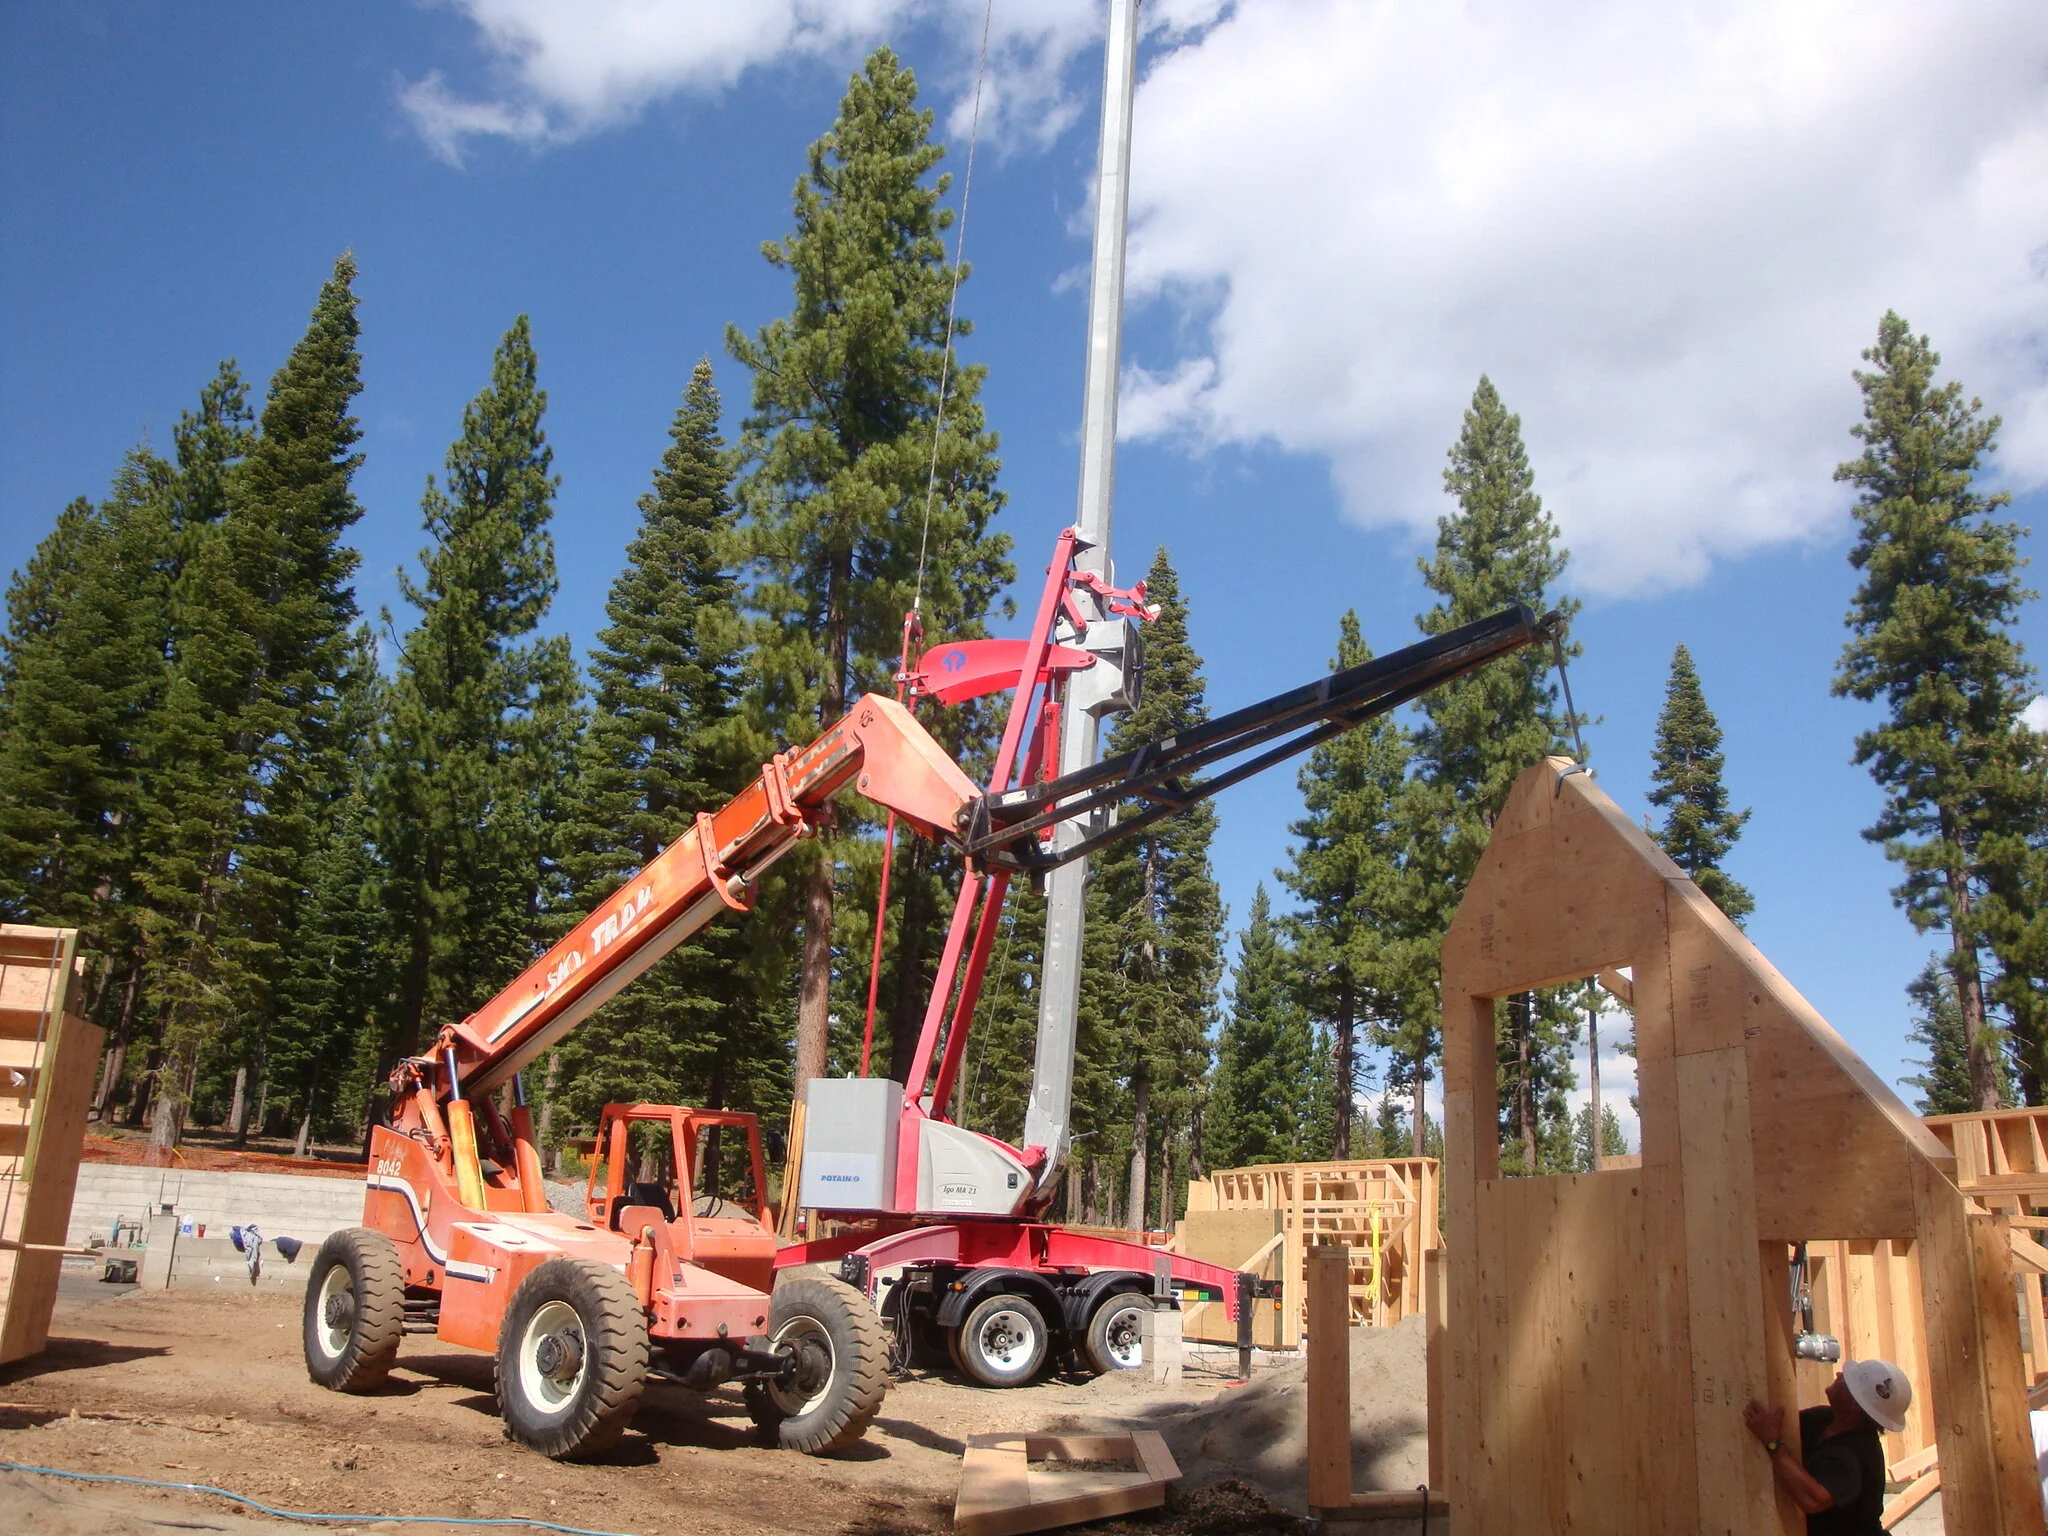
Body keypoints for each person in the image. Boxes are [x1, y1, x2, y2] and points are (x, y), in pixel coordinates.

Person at [1742, 1359, 1911, 1534]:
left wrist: (1773, 1443)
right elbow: (1780, 1428)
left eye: (1847, 1380)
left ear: (1855, 1405)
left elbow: (1813, 1500)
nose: (1839, 1374)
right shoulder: (1823, 1418)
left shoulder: (1853, 1453)